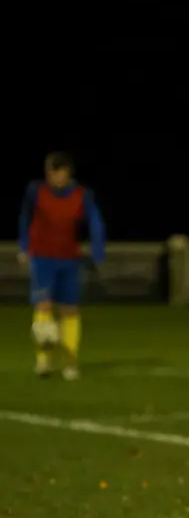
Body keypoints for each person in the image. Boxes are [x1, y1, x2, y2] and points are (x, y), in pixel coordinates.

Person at [17, 151, 106, 380]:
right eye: (52, 174)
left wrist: (98, 250)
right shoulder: (36, 191)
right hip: (42, 258)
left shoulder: (82, 195)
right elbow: (25, 217)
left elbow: (95, 220)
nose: (56, 179)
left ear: (68, 174)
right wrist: (24, 246)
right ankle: (43, 362)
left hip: (69, 258)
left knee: (70, 309)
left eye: (60, 174)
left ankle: (70, 361)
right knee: (44, 306)